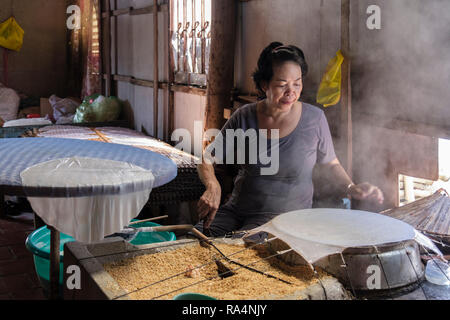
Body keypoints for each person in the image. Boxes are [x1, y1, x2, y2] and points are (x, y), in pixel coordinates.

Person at [196, 42, 384, 237]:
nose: (291, 92)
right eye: (282, 84)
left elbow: (331, 162)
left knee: (235, 250)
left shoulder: (314, 119)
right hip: (237, 210)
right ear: (264, 85)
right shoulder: (244, 116)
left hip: (283, 219)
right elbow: (207, 158)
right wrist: (213, 185)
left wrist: (351, 187)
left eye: (297, 83)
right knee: (193, 240)